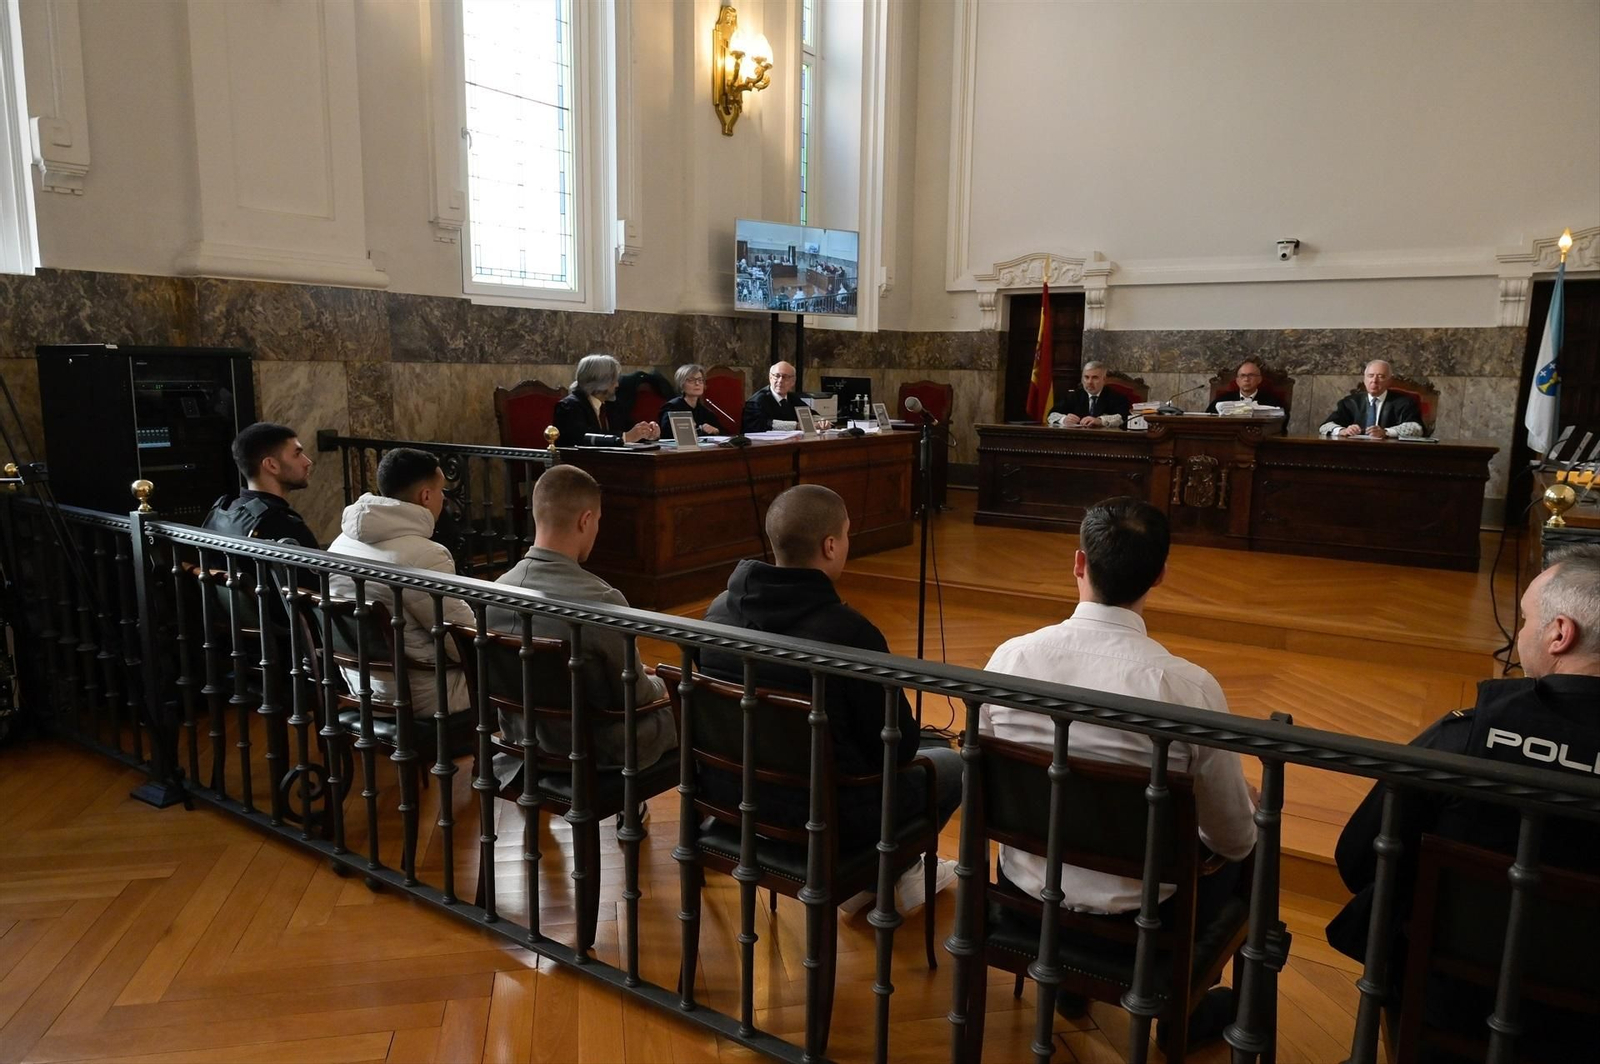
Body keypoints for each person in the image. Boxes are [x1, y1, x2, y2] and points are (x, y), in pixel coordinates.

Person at [979, 497, 1256, 1038]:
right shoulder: (1187, 689)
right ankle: (1191, 1015)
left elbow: (987, 776)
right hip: (1143, 921)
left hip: (1027, 896)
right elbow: (1233, 841)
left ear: (1079, 563)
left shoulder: (1010, 659)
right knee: (1256, 833)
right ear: (1160, 575)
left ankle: (1070, 986)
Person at [1327, 544, 1600, 1056]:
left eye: (1525, 620)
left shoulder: (1464, 742)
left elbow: (1361, 857)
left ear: (1561, 633)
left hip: (1449, 1004)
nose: (1520, 635)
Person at [699, 484, 959, 914]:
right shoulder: (849, 634)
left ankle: (882, 875)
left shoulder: (719, 610)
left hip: (733, 793)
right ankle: (895, 872)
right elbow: (895, 748)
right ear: (831, 545)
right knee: (954, 763)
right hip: (828, 813)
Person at [488, 465, 676, 775]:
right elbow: (636, 696)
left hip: (521, 739)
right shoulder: (602, 600)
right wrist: (667, 683)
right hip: (594, 748)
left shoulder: (494, 592)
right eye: (598, 521)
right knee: (695, 707)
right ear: (586, 520)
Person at [326, 448, 472, 722]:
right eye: (441, 491)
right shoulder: (425, 554)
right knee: (526, 678)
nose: (444, 499)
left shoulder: (340, 543)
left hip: (362, 685)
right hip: (424, 692)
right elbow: (462, 640)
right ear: (426, 496)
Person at [202, 422, 319, 547]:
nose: (307, 462)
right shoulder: (283, 525)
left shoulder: (224, 510)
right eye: (297, 454)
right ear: (271, 465)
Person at [552, 354, 660, 447]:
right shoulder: (569, 407)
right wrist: (625, 437)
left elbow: (629, 431)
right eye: (613, 381)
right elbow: (583, 439)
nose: (617, 385)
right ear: (600, 382)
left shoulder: (611, 405)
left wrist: (647, 433)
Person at [1318, 359, 1423, 438]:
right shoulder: (1350, 402)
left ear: (1390, 381)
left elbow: (1417, 428)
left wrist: (1386, 432)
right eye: (1370, 376)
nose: (1374, 381)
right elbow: (1325, 426)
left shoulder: (1404, 402)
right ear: (1364, 380)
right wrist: (1342, 430)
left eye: (1381, 376)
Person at [1047, 362, 1132, 429]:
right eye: (1086, 377)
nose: (1089, 382)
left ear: (1104, 380)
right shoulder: (1074, 396)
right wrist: (1063, 419)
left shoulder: (1117, 397)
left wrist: (1100, 421)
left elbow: (1124, 418)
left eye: (1095, 378)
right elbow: (1052, 414)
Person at [656, 364, 726, 436]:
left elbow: (726, 435)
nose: (697, 383)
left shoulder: (705, 412)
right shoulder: (671, 408)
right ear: (682, 384)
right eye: (691, 380)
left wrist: (716, 430)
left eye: (700, 380)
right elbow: (664, 434)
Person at [741, 361, 807, 432]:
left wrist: (819, 421)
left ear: (793, 381)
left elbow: (810, 413)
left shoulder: (793, 398)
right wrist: (796, 426)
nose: (780, 380)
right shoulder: (757, 401)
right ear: (770, 378)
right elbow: (760, 424)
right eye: (777, 376)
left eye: (785, 377)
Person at [1205, 360, 1278, 413]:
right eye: (1243, 375)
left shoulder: (1272, 402)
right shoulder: (1222, 400)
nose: (1246, 379)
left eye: (1251, 375)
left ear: (1259, 379)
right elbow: (1208, 419)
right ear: (1237, 381)